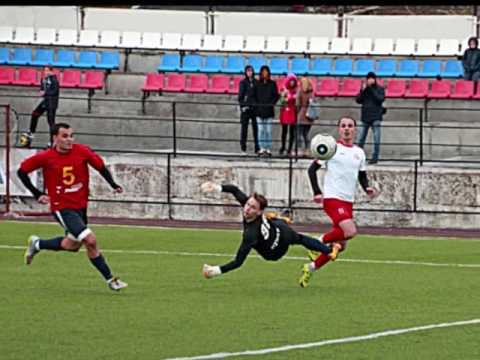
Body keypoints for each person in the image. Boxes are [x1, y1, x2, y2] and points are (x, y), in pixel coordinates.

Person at [17, 122, 128, 291]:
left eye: (71, 136)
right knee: (90, 240)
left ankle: (37, 244)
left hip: (80, 206)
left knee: (73, 245)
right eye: (65, 136)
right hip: (62, 207)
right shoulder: (46, 157)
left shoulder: (82, 151)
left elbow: (100, 166)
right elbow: (22, 171)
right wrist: (37, 193)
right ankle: (111, 280)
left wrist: (113, 184)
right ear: (55, 138)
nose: (69, 140)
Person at [200, 181, 341, 279]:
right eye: (248, 204)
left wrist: (215, 271)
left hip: (275, 251)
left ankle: (330, 251)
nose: (247, 208)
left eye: (252, 207)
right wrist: (215, 187)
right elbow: (234, 190)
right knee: (297, 236)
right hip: (278, 230)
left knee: (300, 238)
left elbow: (238, 262)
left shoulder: (250, 234)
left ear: (259, 211)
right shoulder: (250, 210)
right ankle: (327, 250)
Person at [299, 116, 379, 288]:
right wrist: (317, 192)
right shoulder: (331, 149)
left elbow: (361, 175)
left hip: (348, 202)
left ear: (355, 129)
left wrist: (367, 188)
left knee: (340, 245)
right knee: (350, 231)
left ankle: (310, 268)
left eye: (350, 126)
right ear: (339, 129)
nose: (347, 129)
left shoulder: (359, 153)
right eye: (343, 126)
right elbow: (312, 169)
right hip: (333, 199)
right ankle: (316, 243)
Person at [20, 66, 60, 148]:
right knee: (35, 114)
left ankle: (52, 142)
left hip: (52, 103)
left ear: (51, 71)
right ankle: (30, 135)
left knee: (51, 122)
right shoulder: (43, 79)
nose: (45, 72)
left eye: (47, 70)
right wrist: (41, 91)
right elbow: (42, 89)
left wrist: (45, 92)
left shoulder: (54, 79)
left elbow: (55, 91)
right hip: (45, 102)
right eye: (44, 70)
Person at [355, 71, 385, 165]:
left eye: (371, 78)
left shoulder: (379, 89)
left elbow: (380, 99)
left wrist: (371, 89)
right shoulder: (364, 89)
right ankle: (357, 157)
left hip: (376, 116)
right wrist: (364, 90)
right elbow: (358, 100)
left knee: (376, 139)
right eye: (368, 78)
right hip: (365, 116)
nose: (370, 80)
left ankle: (375, 157)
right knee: (361, 139)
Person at [253, 65, 279, 157]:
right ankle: (261, 148)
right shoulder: (257, 84)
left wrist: (270, 104)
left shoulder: (272, 84)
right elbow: (253, 96)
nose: (265, 73)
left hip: (269, 111)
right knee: (260, 130)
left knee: (268, 130)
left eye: (266, 72)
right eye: (263, 72)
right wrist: (257, 106)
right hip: (259, 111)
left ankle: (268, 148)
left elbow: (276, 96)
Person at [238, 65, 259, 155]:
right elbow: (240, 96)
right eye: (248, 71)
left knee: (256, 129)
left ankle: (257, 148)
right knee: (244, 129)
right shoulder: (243, 83)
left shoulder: (256, 82)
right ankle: (243, 148)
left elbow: (258, 95)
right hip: (246, 109)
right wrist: (243, 106)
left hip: (254, 109)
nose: (249, 72)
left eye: (251, 71)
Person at [278, 73, 298, 157]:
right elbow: (282, 101)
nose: (292, 83)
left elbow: (296, 100)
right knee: (284, 131)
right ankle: (283, 147)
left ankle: (290, 148)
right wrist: (284, 96)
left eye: (293, 81)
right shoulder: (284, 89)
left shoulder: (296, 91)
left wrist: (291, 97)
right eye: (291, 81)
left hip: (292, 111)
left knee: (292, 132)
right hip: (285, 111)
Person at [296, 77, 315, 157]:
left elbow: (297, 104)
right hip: (309, 116)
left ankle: (300, 149)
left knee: (299, 134)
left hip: (302, 114)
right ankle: (307, 150)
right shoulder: (311, 93)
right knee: (305, 134)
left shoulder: (300, 91)